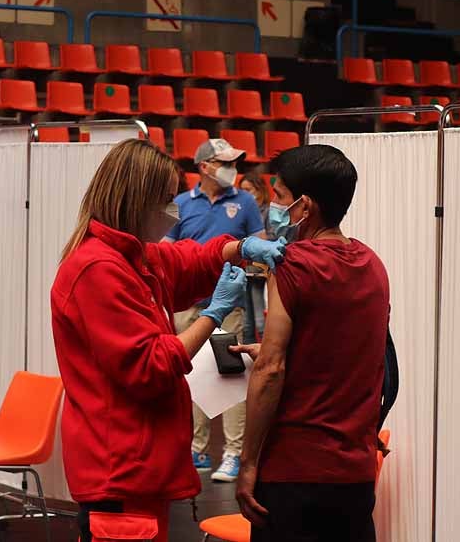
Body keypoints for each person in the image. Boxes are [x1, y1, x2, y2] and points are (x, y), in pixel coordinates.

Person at [51, 139, 285, 542]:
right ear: (136, 199)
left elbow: (189, 261)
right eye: (163, 200)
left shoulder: (133, 255)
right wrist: (212, 315)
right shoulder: (97, 269)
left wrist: (240, 248)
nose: (171, 210)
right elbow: (150, 367)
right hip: (119, 468)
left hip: (141, 465)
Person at [232, 144, 390, 542]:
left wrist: (247, 463)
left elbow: (270, 371)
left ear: (305, 207)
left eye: (281, 197)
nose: (275, 207)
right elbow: (360, 352)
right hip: (353, 476)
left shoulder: (293, 264)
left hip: (294, 472)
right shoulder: (373, 265)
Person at [164, 138, 265, 483]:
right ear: (204, 167)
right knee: (188, 375)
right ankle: (196, 448)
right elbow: (165, 249)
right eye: (225, 163)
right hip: (186, 306)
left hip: (229, 306)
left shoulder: (246, 202)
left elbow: (257, 247)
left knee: (230, 375)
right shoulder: (179, 203)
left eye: (235, 163)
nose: (232, 169)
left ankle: (233, 453)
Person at [239, 172, 272, 342]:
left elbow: (270, 237)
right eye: (242, 190)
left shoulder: (267, 211)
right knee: (246, 321)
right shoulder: (241, 211)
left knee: (259, 318)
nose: (245, 194)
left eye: (249, 189)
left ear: (259, 190)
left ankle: (266, 353)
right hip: (244, 269)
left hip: (258, 270)